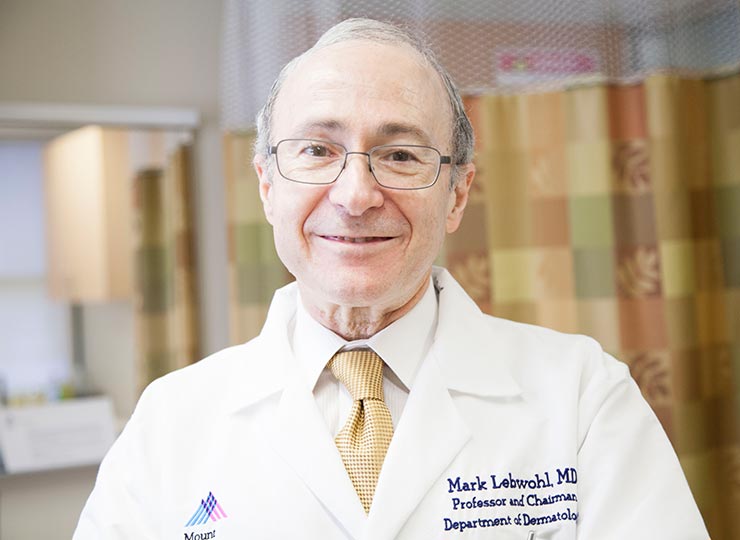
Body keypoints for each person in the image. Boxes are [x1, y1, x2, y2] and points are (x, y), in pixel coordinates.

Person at [74, 18, 709, 540]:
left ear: (457, 193)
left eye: (400, 155)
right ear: (267, 187)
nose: (355, 195)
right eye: (317, 150)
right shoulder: (170, 422)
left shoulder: (582, 398)